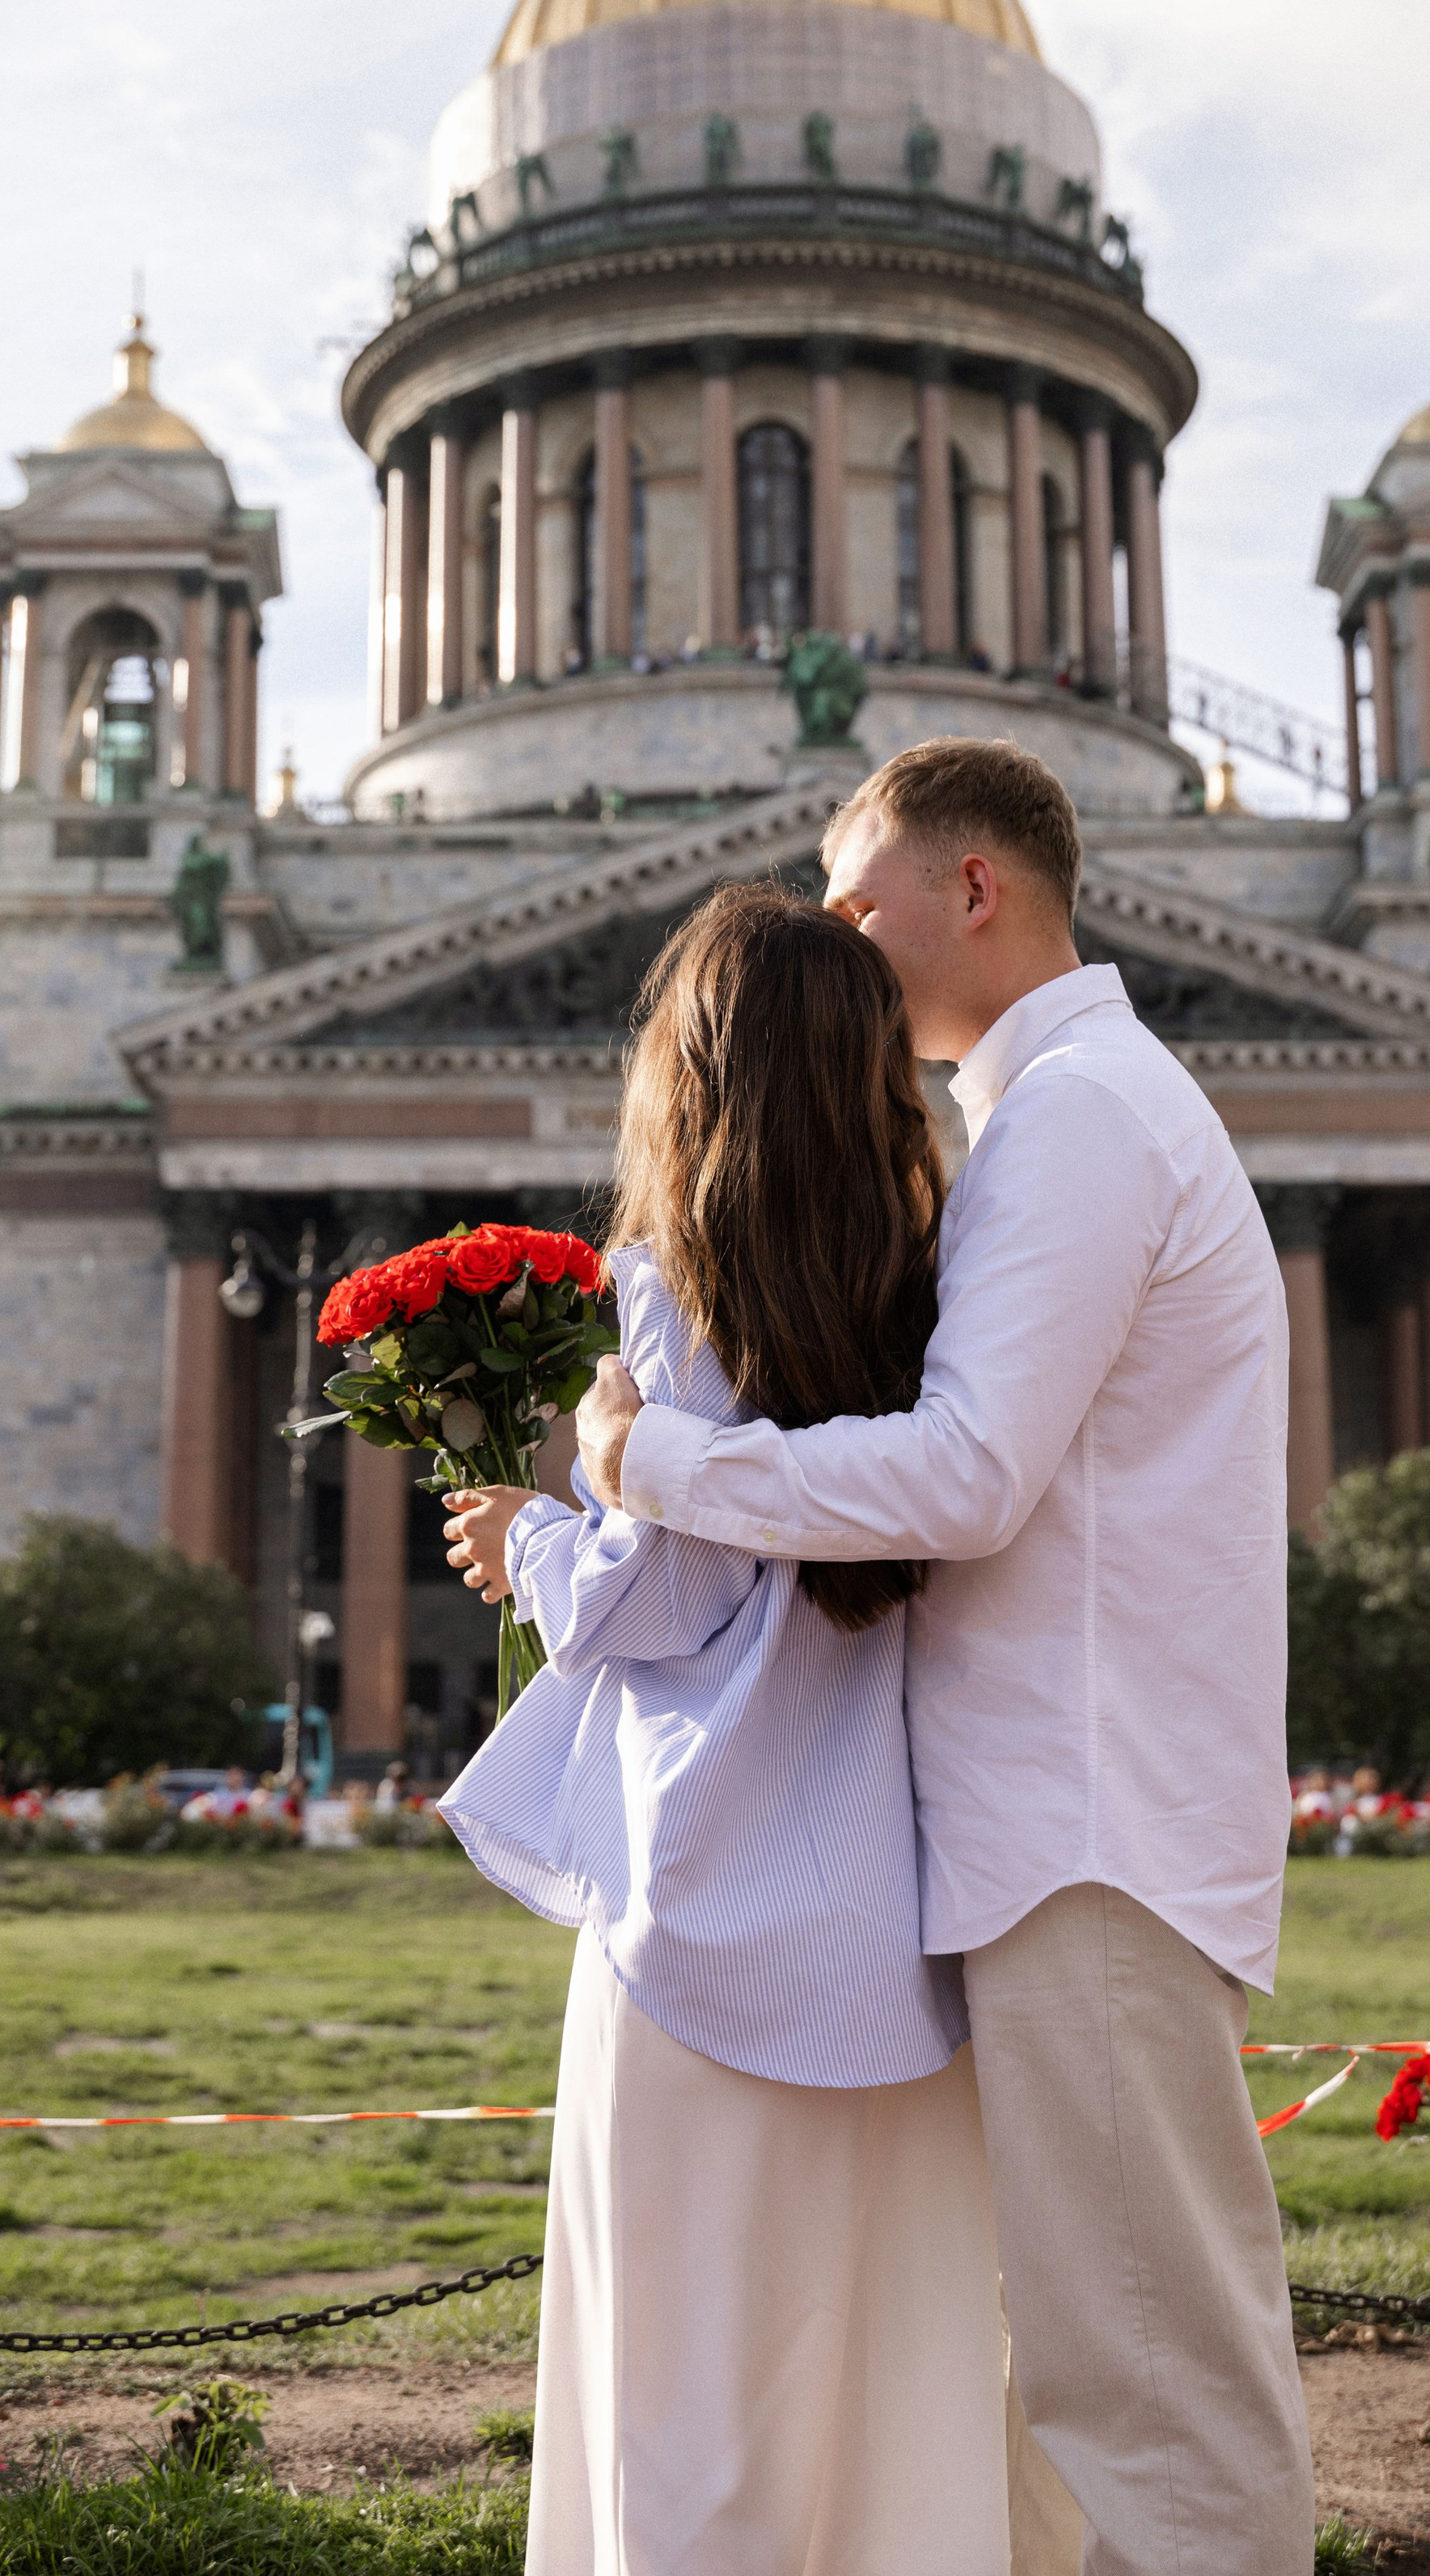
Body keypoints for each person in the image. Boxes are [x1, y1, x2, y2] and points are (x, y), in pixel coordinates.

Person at [552, 736, 1315, 2576]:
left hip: (1084, 1827)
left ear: (973, 889)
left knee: (1141, 2381)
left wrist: (643, 1458)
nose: (831, 927)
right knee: (1060, 2389)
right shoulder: (1063, 1111)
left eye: (856, 887)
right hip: (1045, 1820)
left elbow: (965, 1475)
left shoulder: (1073, 1118)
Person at [439, 884, 1039, 2576]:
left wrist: (531, 1535)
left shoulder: (672, 1286)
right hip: (907, 1932)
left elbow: (663, 1604)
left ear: (686, 1068)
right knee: (895, 2383)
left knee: (683, 2390)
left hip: (699, 1914)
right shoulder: (946, 1275)